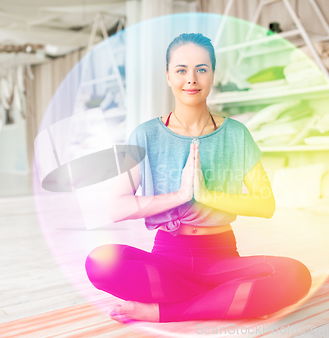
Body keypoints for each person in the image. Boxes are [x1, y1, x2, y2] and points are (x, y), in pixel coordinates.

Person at [85, 33, 312, 323]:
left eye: (201, 69)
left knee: (297, 275)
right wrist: (180, 196)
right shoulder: (145, 135)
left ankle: (166, 310)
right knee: (99, 263)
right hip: (167, 259)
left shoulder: (236, 134)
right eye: (181, 70)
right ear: (168, 76)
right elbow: (117, 208)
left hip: (221, 259)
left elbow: (266, 205)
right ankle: (226, 298)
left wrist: (207, 196)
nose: (191, 79)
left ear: (212, 75)